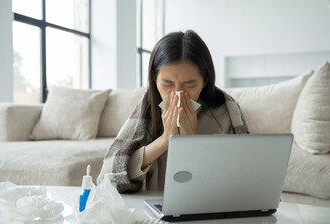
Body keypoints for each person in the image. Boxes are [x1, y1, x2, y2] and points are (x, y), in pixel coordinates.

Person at [97, 30, 249, 192]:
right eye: (167, 84)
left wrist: (192, 142)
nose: (177, 93)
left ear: (205, 80)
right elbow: (106, 177)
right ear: (155, 79)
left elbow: (244, 176)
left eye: (190, 85)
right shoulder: (148, 107)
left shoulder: (227, 111)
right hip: (155, 208)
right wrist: (165, 140)